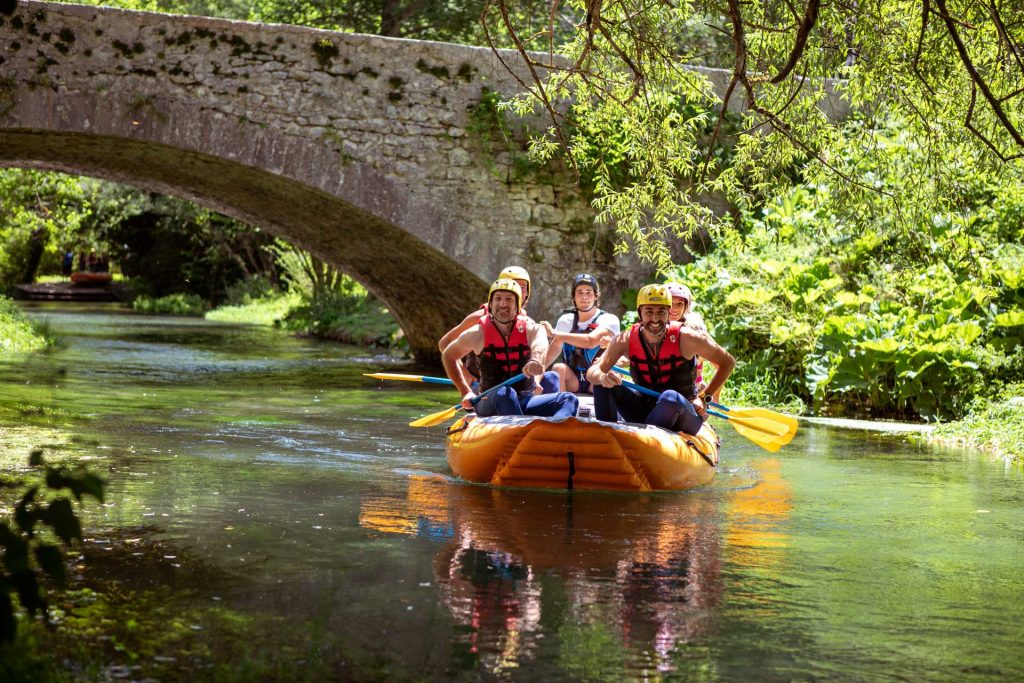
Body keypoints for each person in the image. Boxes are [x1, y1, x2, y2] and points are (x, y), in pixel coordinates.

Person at [586, 284, 735, 435]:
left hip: (682, 414)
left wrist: (705, 396)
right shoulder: (625, 340)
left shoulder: (688, 337)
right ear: (640, 313)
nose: (655, 319)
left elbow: (728, 362)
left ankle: (645, 440)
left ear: (668, 312)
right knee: (602, 385)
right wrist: (603, 378)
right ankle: (607, 437)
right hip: (644, 409)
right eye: (649, 312)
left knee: (670, 398)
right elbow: (592, 372)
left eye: (661, 312)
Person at [442, 279, 578, 419]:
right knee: (506, 394)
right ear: (490, 304)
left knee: (569, 399)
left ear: (518, 305)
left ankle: (555, 427)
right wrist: (465, 391)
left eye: (509, 299)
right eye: (498, 299)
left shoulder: (531, 329)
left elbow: (540, 343)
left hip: (525, 398)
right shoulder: (477, 334)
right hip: (489, 401)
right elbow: (448, 356)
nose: (503, 304)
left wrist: (536, 360)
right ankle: (522, 428)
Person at [439, 266, 557, 393]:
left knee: (552, 378)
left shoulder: (527, 322)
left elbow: (538, 352)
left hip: (513, 383)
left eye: (522, 287)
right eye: (513, 284)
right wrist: (464, 374)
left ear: (527, 293)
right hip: (482, 383)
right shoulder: (479, 318)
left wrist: (536, 381)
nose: (517, 289)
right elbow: (445, 343)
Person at [541, 273, 620, 394]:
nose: (584, 297)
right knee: (558, 368)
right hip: (573, 380)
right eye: (579, 292)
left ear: (596, 296)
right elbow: (555, 348)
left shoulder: (609, 319)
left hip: (597, 378)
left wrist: (554, 333)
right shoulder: (565, 320)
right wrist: (537, 371)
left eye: (589, 292)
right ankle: (561, 403)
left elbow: (590, 341)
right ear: (573, 297)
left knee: (610, 372)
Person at [666, 281, 716, 399]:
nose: (674, 308)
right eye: (670, 303)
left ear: (686, 306)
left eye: (679, 303)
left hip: (691, 391)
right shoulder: (654, 328)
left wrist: (710, 396)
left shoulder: (694, 329)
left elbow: (721, 363)